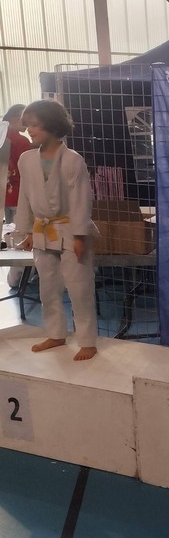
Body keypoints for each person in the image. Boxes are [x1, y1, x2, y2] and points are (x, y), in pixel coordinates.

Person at [15, 100, 99, 361]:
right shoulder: (26, 159)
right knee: (48, 287)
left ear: (52, 125)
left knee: (79, 287)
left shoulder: (72, 159)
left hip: (69, 229)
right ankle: (56, 334)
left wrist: (80, 236)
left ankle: (87, 340)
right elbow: (24, 197)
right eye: (28, 125)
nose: (29, 130)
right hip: (42, 229)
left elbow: (81, 200)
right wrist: (26, 232)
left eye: (35, 125)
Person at [1, 104, 30, 285]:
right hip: (18, 193)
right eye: (25, 120)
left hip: (4, 195)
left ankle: (14, 279)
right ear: (14, 118)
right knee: (21, 236)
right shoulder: (22, 141)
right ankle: (16, 279)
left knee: (8, 236)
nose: (28, 125)